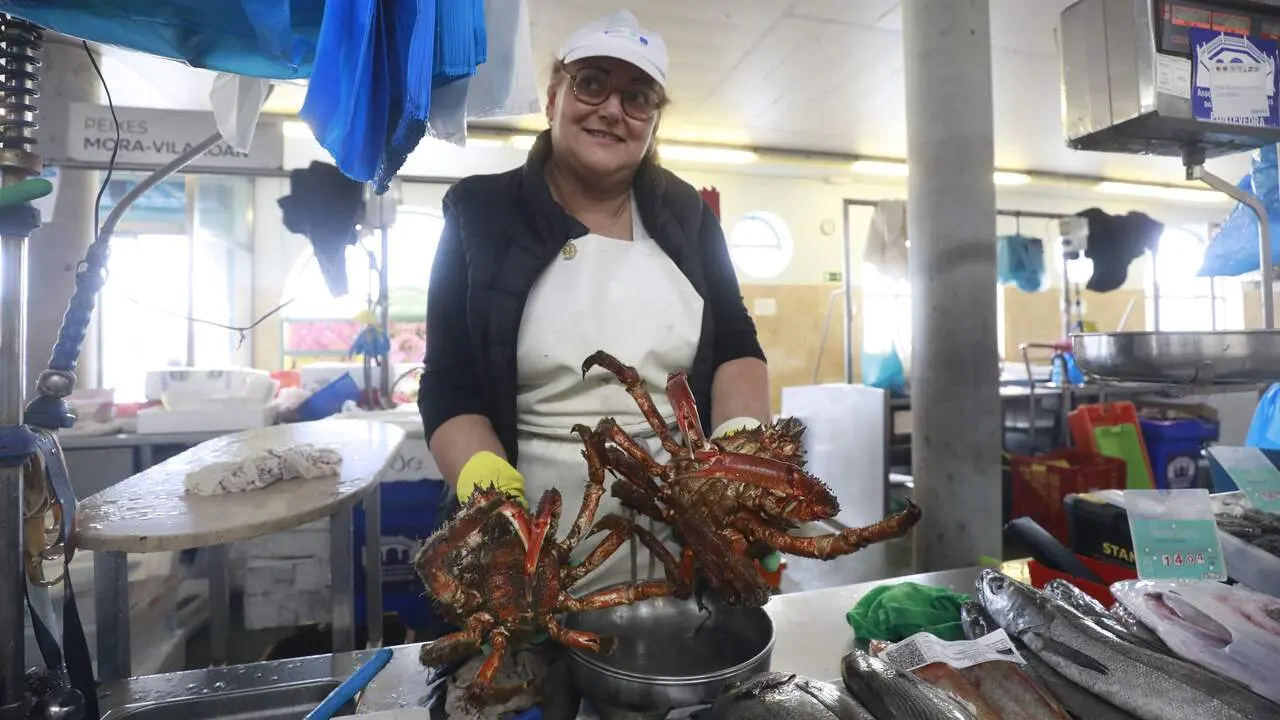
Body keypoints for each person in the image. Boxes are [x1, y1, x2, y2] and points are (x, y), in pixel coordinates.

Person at [418, 9, 773, 594]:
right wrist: (482, 483)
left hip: (688, 535)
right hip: (530, 543)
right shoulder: (479, 212)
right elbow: (448, 380)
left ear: (653, 123)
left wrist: (737, 449)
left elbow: (736, 341)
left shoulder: (688, 216)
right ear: (554, 95)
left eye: (638, 97)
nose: (612, 109)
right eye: (591, 83)